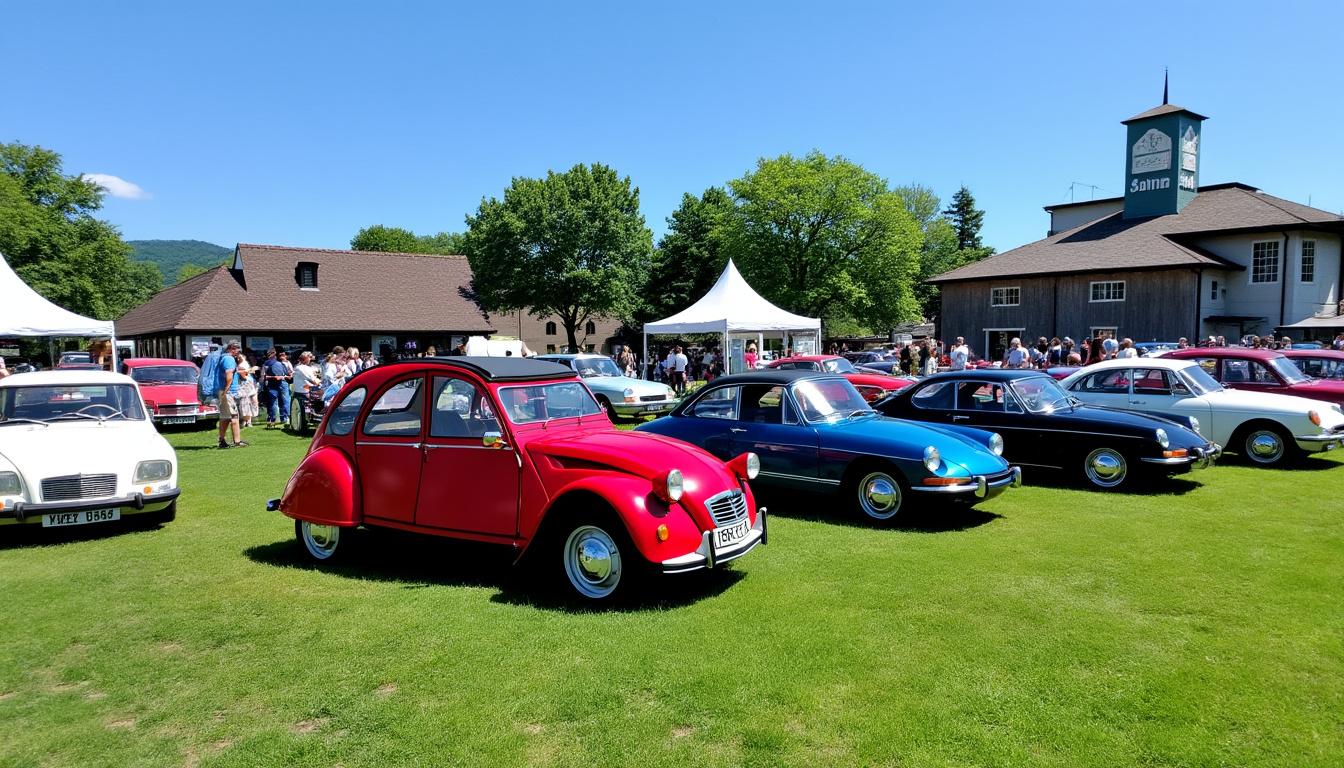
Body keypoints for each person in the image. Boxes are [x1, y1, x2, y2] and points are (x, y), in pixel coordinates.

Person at [215, 341, 246, 448]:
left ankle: (221, 440)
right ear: (230, 349)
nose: (238, 350)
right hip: (228, 392)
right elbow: (229, 376)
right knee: (234, 416)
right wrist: (227, 390)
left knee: (225, 417)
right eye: (236, 348)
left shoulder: (223, 358)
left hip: (223, 391)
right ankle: (237, 441)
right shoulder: (229, 359)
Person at [262, 347, 292, 429]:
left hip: (272, 384)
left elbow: (263, 376)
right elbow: (282, 376)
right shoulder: (278, 364)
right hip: (280, 383)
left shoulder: (266, 364)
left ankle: (273, 419)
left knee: (274, 402)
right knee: (285, 400)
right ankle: (286, 418)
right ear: (274, 354)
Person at [236, 359, 259, 427]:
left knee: (252, 405)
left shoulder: (250, 376)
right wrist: (249, 370)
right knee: (244, 407)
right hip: (243, 393)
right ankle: (245, 421)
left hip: (251, 392)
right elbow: (241, 372)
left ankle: (248, 421)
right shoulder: (239, 374)